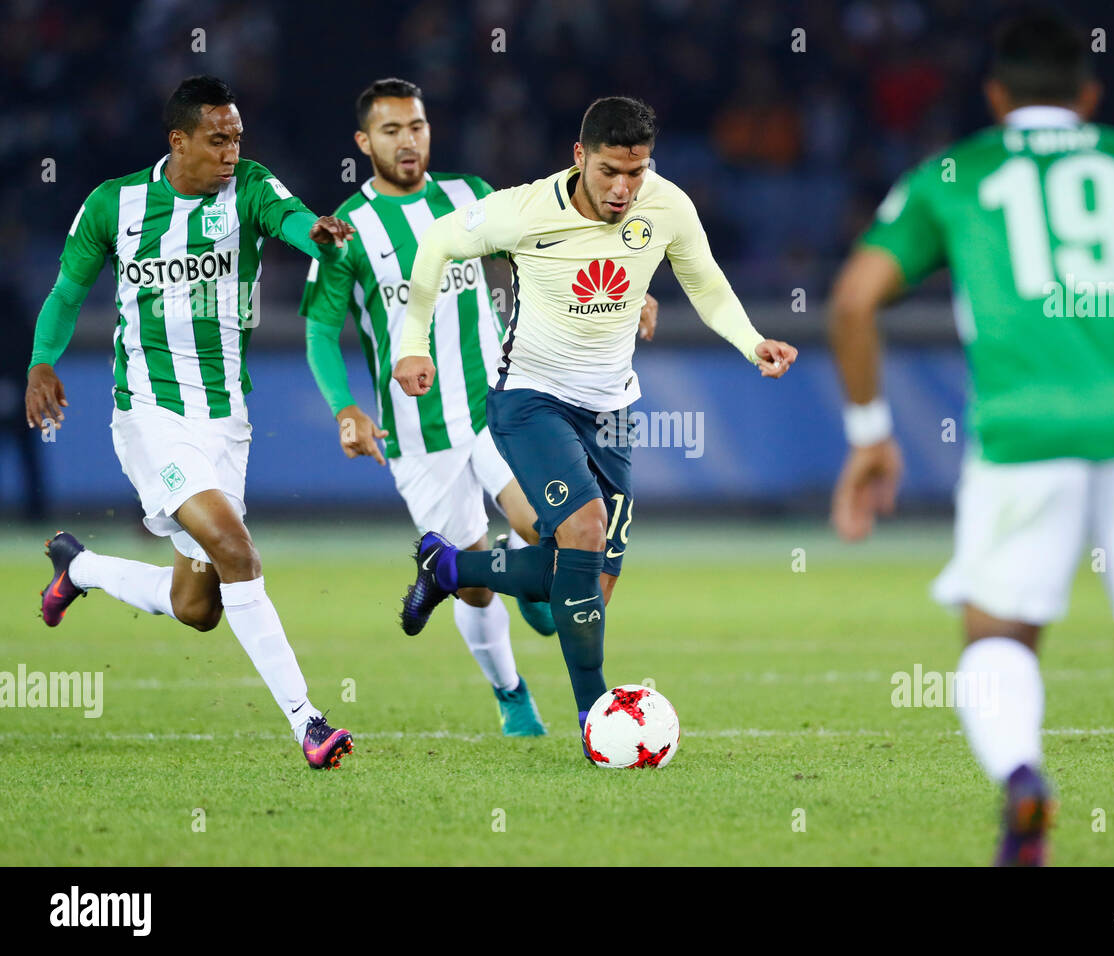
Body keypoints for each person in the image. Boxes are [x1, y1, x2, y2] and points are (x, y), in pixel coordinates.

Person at [828, 12, 1114, 865]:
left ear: (997, 96)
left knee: (998, 635)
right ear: (1089, 93)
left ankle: (1024, 777)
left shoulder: (954, 174)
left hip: (1021, 434)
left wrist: (871, 436)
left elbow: (853, 300)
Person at [392, 96, 797, 761]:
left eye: (636, 173)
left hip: (611, 411)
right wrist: (414, 343)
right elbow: (437, 240)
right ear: (580, 157)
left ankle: (449, 565)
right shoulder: (523, 210)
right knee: (582, 535)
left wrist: (752, 342)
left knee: (584, 590)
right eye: (610, 171)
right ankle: (597, 720)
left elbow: (707, 283)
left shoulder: (666, 207)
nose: (623, 189)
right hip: (530, 400)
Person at [26, 75, 357, 769]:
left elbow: (297, 220)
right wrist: (41, 362)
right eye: (218, 140)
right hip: (150, 417)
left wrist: (319, 232)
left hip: (225, 422)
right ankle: (309, 722)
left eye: (237, 137)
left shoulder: (253, 189)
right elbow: (66, 290)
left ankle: (79, 567)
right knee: (238, 552)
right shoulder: (114, 205)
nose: (232, 152)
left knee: (197, 605)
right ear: (179, 141)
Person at [302, 78, 641, 735]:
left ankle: (507, 572)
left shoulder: (471, 198)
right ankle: (511, 694)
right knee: (481, 588)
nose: (408, 141)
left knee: (562, 532)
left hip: (498, 410)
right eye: (392, 130)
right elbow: (319, 328)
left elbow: (551, 248)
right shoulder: (350, 230)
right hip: (417, 432)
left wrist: (624, 294)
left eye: (418, 127)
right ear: (363, 141)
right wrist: (345, 407)